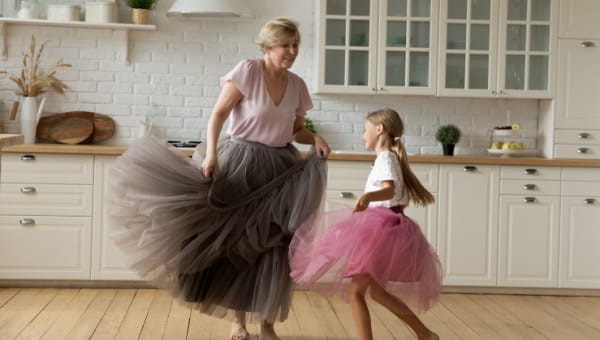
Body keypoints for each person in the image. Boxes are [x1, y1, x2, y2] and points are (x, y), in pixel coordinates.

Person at [107, 17, 330, 340]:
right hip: (240, 163)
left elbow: (296, 130)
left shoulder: (297, 85)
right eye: (286, 45)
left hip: (280, 170)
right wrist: (211, 155)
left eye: (296, 45)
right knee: (237, 245)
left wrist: (317, 138)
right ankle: (238, 321)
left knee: (275, 247)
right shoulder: (248, 72)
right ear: (267, 47)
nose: (293, 51)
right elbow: (219, 115)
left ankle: (267, 324)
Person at [289, 108, 442, 340]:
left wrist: (368, 197)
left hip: (381, 228)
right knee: (377, 294)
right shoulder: (388, 157)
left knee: (355, 292)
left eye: (365, 130)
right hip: (383, 226)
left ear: (379, 129)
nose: (362, 136)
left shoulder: (386, 158)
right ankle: (425, 334)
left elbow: (389, 189)